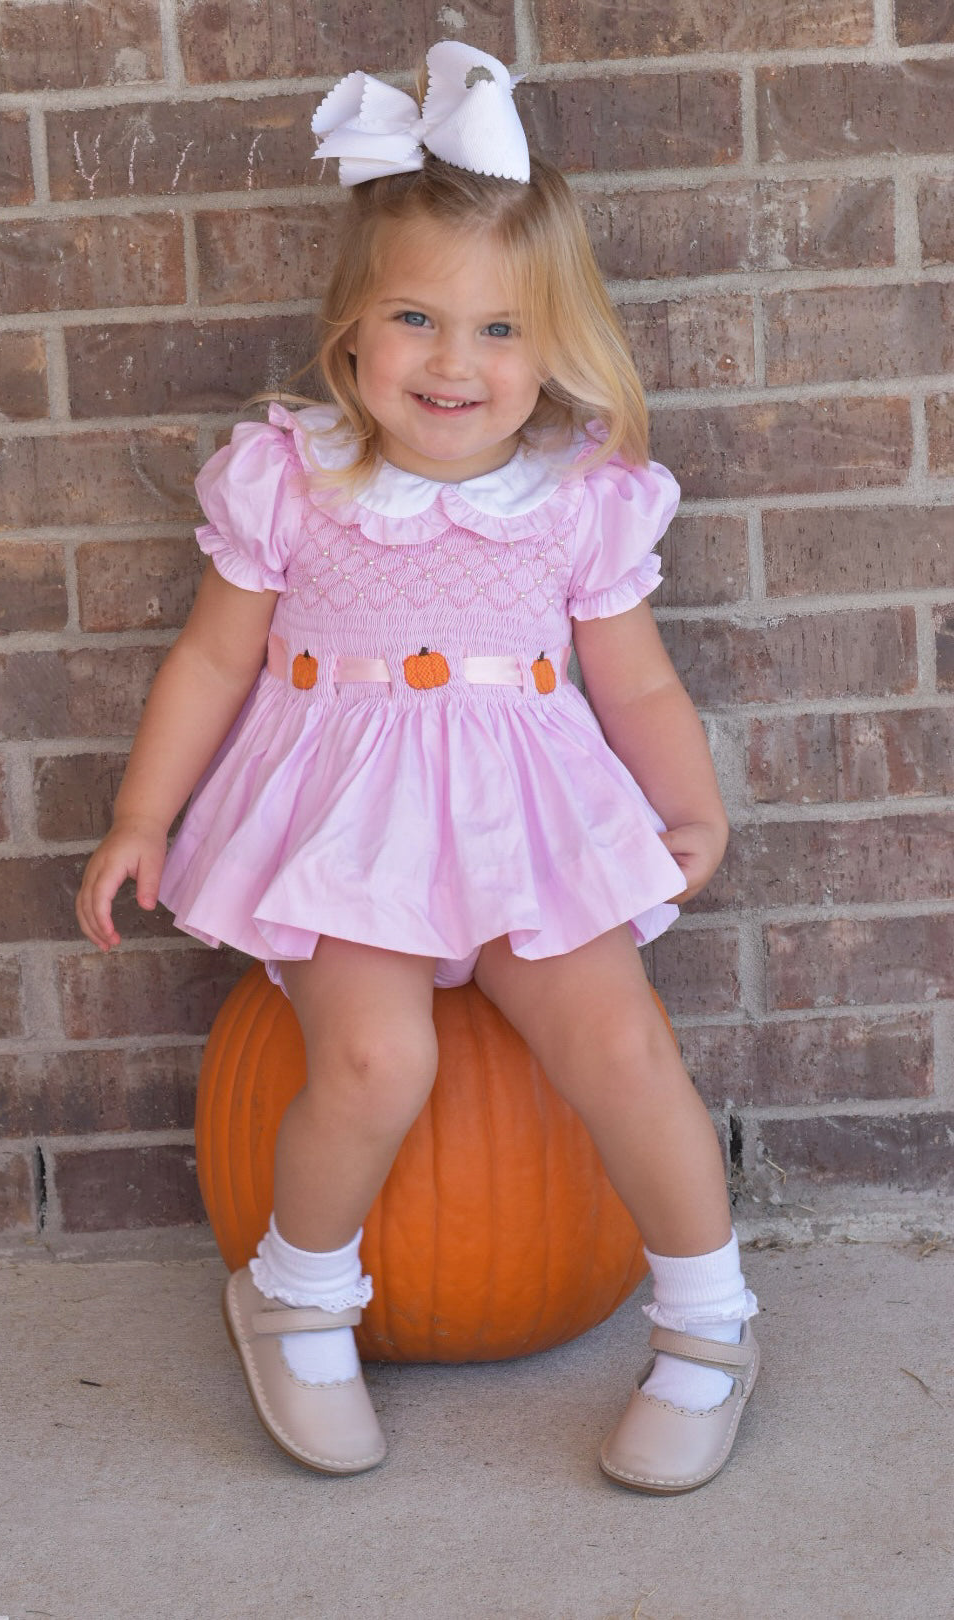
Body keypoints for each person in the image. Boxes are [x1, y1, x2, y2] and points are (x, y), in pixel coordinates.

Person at [76, 41, 758, 1491]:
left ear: (557, 347)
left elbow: (634, 678)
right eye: (418, 319)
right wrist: (145, 812)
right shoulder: (293, 478)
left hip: (527, 825)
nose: (458, 363)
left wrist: (689, 803)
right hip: (346, 829)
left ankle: (708, 1327)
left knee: (621, 1046)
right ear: (352, 335)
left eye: (503, 329)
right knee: (376, 1060)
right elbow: (209, 661)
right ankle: (297, 1295)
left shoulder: (579, 501)